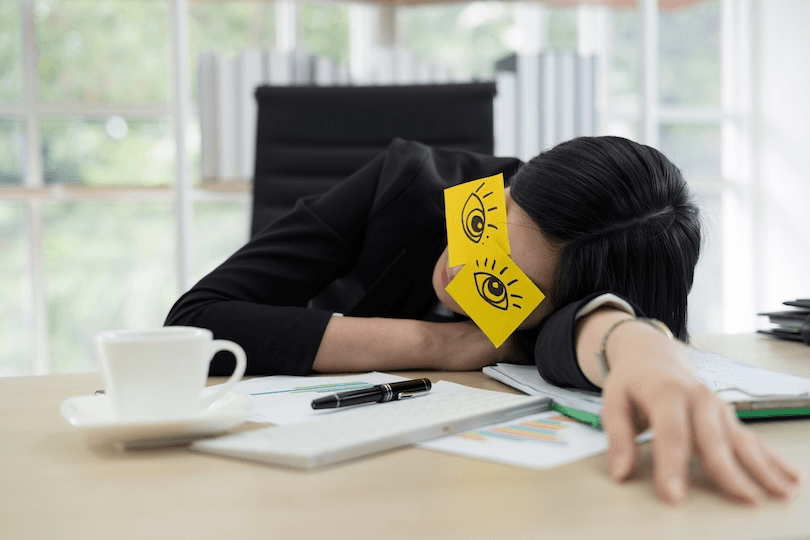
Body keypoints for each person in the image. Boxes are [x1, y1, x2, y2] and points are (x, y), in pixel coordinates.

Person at [166, 136, 800, 506]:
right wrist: (440, 343)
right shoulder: (401, 183)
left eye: (505, 285)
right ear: (506, 188)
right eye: (488, 229)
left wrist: (642, 346)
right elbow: (196, 322)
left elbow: (589, 328)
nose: (462, 272)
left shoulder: (569, 294)